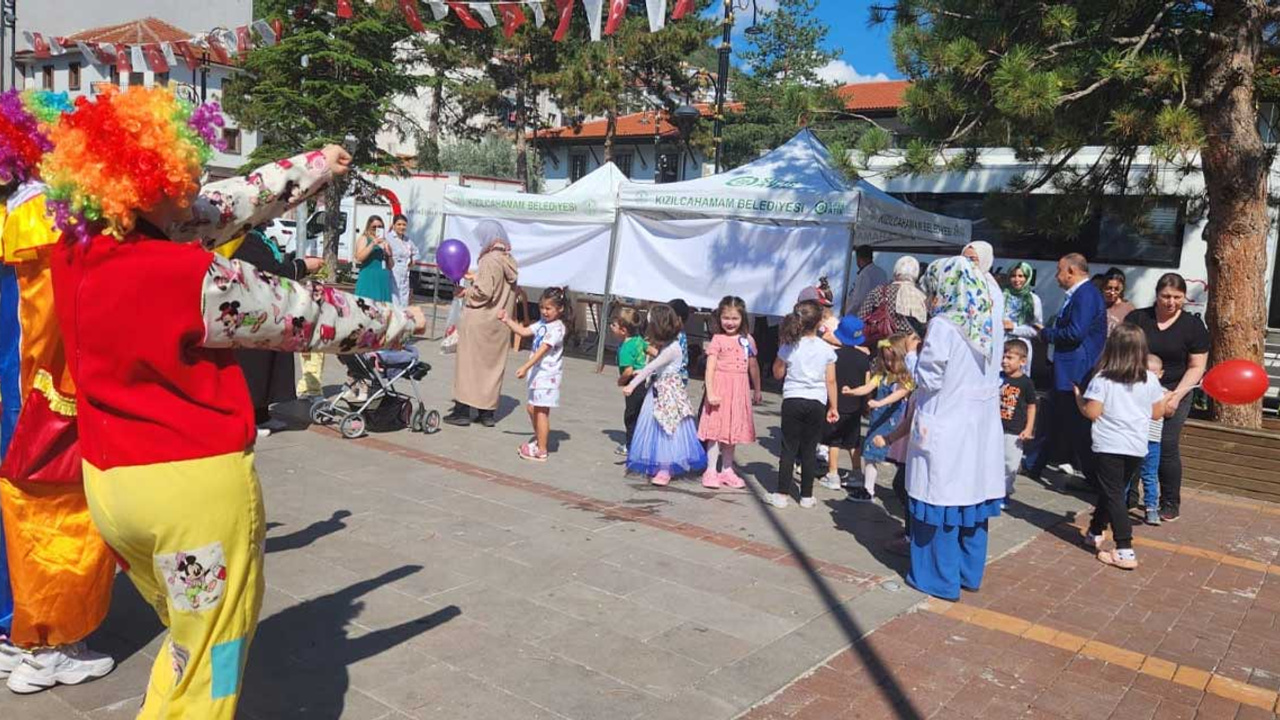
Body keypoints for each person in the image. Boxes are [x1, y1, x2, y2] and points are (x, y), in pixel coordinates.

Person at [40, 86, 427, 717]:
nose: (192, 185)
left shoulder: (77, 250)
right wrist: (405, 321)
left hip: (113, 489)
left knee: (192, 632)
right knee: (218, 650)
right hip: (191, 494)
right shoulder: (185, 277)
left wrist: (315, 167)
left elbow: (225, 203)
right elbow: (308, 315)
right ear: (154, 177)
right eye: (180, 173)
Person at [903, 256, 1005, 601]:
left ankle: (937, 577)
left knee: (940, 497)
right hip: (980, 425)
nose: (931, 299)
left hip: (945, 422)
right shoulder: (990, 322)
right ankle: (967, 571)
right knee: (970, 499)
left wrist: (910, 355)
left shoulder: (946, 325)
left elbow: (929, 378)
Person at [1075, 323, 1168, 571]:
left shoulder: (1103, 378)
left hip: (1109, 444)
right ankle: (1095, 531)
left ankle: (1125, 549)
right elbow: (1158, 413)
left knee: (1114, 494)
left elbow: (1092, 412)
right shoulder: (1149, 379)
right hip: (1137, 445)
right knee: (1112, 490)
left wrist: (1078, 399)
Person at [1125, 272, 1209, 522]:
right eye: (1166, 297)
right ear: (1157, 295)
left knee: (1166, 444)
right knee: (1132, 442)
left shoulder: (1192, 326)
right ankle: (1129, 494)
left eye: (1177, 297)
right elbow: (1122, 353)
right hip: (1137, 390)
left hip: (1175, 388)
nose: (1171, 302)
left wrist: (1175, 396)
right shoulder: (1138, 318)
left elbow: (1196, 366)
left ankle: (1170, 501)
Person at [231, 225, 324, 437]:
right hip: (254, 312)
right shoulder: (245, 240)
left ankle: (262, 414)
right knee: (255, 368)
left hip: (269, 311)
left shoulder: (257, 237)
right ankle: (251, 419)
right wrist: (302, 265)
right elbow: (270, 273)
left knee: (267, 365)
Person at [1027, 253, 1108, 482]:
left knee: (1076, 425)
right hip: (1066, 367)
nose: (1056, 276)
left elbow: (1075, 333)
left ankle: (1096, 478)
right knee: (1053, 418)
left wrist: (1045, 334)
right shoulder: (1080, 294)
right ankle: (1034, 464)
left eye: (1059, 271)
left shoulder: (1086, 295)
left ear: (1071, 271)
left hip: (1076, 369)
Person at [445, 220, 519, 427]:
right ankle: (486, 413)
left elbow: (484, 292)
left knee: (468, 367)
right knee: (492, 369)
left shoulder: (489, 260)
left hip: (479, 321)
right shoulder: (509, 260)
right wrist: (476, 277)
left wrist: (465, 292)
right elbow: (497, 286)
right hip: (499, 323)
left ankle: (461, 410)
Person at [766, 300, 839, 509]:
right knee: (810, 449)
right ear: (820, 323)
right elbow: (831, 381)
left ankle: (781, 494)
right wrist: (834, 406)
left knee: (788, 448)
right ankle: (806, 496)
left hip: (792, 399)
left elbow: (778, 373)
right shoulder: (827, 349)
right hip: (817, 401)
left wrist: (780, 361)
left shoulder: (788, 346)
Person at [624, 304, 707, 485]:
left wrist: (632, 384)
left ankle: (665, 467)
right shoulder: (669, 345)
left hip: (668, 394)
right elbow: (657, 366)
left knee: (667, 428)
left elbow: (652, 366)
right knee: (656, 426)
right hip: (659, 390)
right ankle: (660, 464)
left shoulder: (672, 348)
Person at [697, 296, 760, 490]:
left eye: (734, 318)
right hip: (720, 388)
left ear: (742, 318)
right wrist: (711, 391)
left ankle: (727, 469)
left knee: (732, 432)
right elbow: (710, 368)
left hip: (739, 390)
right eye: (726, 318)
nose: (730, 323)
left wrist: (757, 389)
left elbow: (753, 365)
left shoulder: (747, 340)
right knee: (715, 431)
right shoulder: (718, 339)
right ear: (719, 318)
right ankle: (710, 470)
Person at [843, 334, 914, 504]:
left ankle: (902, 489)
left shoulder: (907, 378)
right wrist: (852, 391)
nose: (889, 363)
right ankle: (868, 489)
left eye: (892, 360)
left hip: (895, 425)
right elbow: (867, 387)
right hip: (878, 421)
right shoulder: (881, 375)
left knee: (898, 459)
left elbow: (899, 394)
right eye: (886, 359)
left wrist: (880, 402)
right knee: (870, 454)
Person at [500, 287, 569, 463]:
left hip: (548, 376)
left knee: (541, 411)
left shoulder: (557, 328)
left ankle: (542, 449)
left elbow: (543, 350)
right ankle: (539, 440)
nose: (544, 312)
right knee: (532, 408)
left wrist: (525, 366)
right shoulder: (542, 324)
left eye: (548, 308)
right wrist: (507, 320)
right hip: (537, 376)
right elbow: (524, 332)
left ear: (559, 309)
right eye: (542, 307)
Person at [820, 316, 870, 491]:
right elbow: (867, 383)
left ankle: (833, 474)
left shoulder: (833, 356)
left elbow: (829, 379)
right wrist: (866, 403)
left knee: (834, 440)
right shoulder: (864, 359)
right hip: (855, 405)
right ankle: (856, 473)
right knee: (853, 441)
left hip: (836, 404)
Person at [1127, 354, 1166, 526]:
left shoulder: (1164, 392)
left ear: (1160, 374)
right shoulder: (1132, 389)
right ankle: (1119, 506)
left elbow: (1166, 411)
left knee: (1150, 476)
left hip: (1152, 441)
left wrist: (1167, 399)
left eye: (1153, 372)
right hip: (1133, 438)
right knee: (1126, 474)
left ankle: (1151, 509)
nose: (1148, 376)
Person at [857, 255, 928, 345]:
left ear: (896, 271)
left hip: (882, 346)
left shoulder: (880, 291)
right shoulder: (923, 298)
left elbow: (861, 317)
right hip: (909, 350)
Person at [999, 340, 1037, 502]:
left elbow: (1031, 406)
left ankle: (1005, 492)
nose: (1004, 361)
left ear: (1022, 361)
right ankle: (994, 491)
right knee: (994, 461)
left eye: (1009, 357)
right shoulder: (998, 377)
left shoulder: (1026, 383)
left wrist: (1028, 428)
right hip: (996, 427)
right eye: (1003, 356)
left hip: (1015, 431)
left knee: (1010, 463)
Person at [611, 307, 647, 457]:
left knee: (631, 416)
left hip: (633, 383)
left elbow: (628, 370)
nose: (611, 327)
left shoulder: (625, 348)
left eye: (614, 325)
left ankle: (631, 445)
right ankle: (641, 442)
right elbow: (650, 349)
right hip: (644, 381)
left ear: (623, 330)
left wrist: (621, 381)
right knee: (641, 413)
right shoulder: (638, 340)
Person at [1002, 261, 1043, 375]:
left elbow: (1036, 329)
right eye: (1013, 276)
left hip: (1021, 348)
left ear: (1027, 277)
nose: (1017, 280)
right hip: (1000, 345)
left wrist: (1013, 328)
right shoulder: (1001, 296)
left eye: (1021, 276)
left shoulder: (1033, 300)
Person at [353, 215, 393, 302]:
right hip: (369, 278)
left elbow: (391, 266)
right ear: (368, 227)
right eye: (374, 227)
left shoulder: (385, 241)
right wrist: (372, 244)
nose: (377, 229)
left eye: (380, 227)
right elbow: (359, 257)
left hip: (383, 279)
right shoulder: (364, 238)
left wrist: (389, 254)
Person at [385, 213, 418, 308]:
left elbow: (415, 251)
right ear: (394, 225)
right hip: (393, 270)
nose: (401, 227)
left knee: (404, 298)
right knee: (394, 298)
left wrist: (413, 260)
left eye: (404, 225)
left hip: (405, 271)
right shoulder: (389, 238)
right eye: (399, 224)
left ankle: (402, 319)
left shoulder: (407, 240)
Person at [845, 244, 888, 315]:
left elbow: (858, 301)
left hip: (864, 316)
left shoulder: (864, 275)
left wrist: (847, 314)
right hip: (879, 315)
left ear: (858, 258)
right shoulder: (882, 273)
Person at [1102, 268, 1135, 335]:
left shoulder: (1128, 308)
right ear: (1103, 287)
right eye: (1109, 288)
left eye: (1116, 289)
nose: (1112, 292)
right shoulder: (1097, 305)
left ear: (1122, 289)